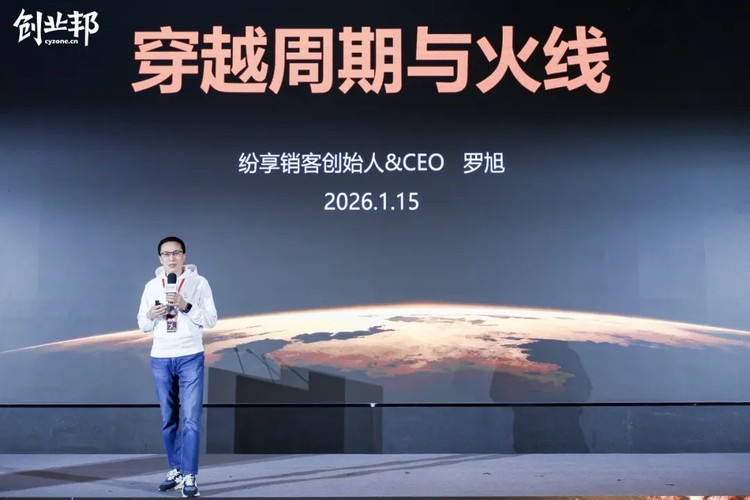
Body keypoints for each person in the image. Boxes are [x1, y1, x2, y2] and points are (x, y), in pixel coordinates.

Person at [137, 236, 218, 498]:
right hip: (161, 357)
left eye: (176, 252)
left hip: (190, 356)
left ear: (184, 255)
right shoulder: (151, 286)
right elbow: (142, 324)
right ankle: (176, 470)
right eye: (166, 253)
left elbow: (211, 320)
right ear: (159, 258)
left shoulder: (199, 282)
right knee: (168, 420)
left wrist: (186, 306)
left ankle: (190, 475)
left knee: (191, 420)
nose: (171, 258)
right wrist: (151, 315)